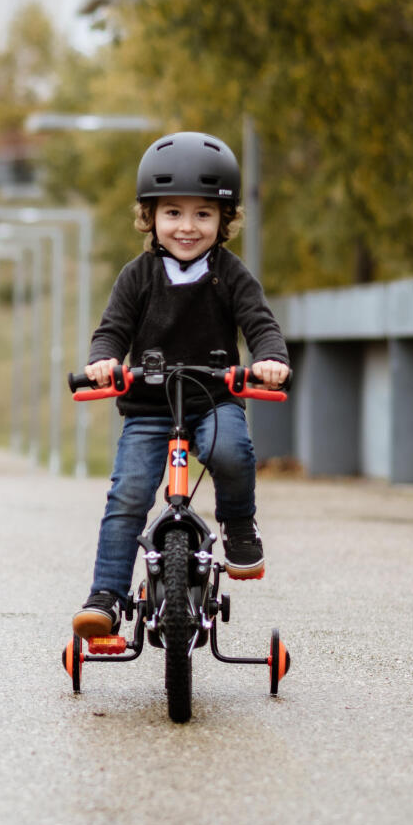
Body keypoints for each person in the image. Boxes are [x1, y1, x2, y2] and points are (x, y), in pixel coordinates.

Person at [73, 132, 291, 639]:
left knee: (233, 452)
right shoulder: (137, 277)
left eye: (203, 214)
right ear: (149, 217)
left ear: (225, 220)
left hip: (214, 400)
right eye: (172, 213)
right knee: (127, 495)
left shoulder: (231, 276)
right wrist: (104, 360)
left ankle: (239, 525)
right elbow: (112, 331)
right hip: (149, 407)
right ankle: (105, 595)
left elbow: (261, 325)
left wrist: (271, 359)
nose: (187, 227)